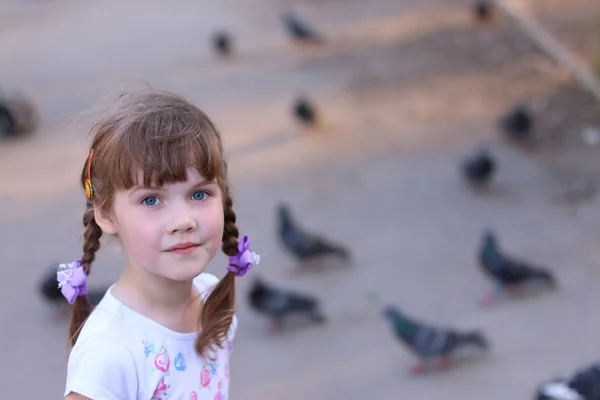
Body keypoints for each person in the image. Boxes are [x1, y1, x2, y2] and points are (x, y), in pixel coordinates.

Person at [60, 89, 259, 399]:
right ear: (106, 213)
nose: (184, 220)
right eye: (151, 199)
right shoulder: (110, 352)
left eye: (199, 194)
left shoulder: (212, 302)